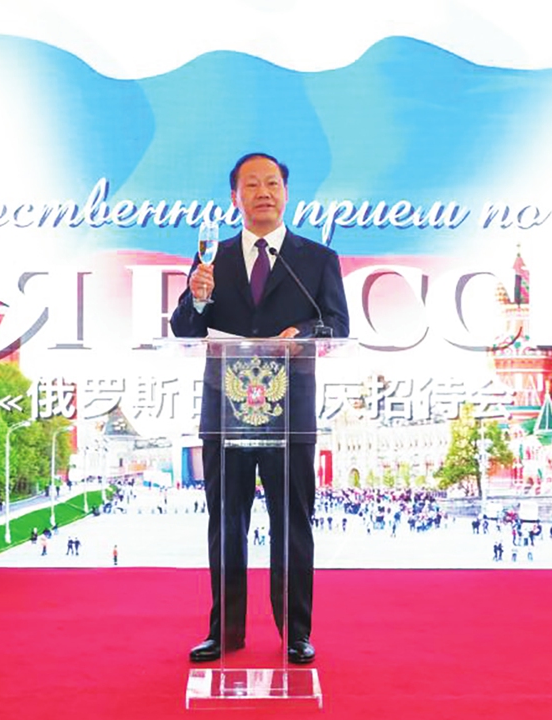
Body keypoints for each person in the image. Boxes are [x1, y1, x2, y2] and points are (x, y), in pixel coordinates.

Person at [170, 152, 349, 665]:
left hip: (288, 413)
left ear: (286, 193)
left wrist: (307, 334)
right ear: (236, 197)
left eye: (273, 183)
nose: (264, 192)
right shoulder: (212, 258)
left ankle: (295, 632)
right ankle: (224, 631)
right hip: (224, 411)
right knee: (226, 522)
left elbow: (336, 325)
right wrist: (197, 298)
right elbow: (184, 330)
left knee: (292, 522)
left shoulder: (315, 259)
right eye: (252, 185)